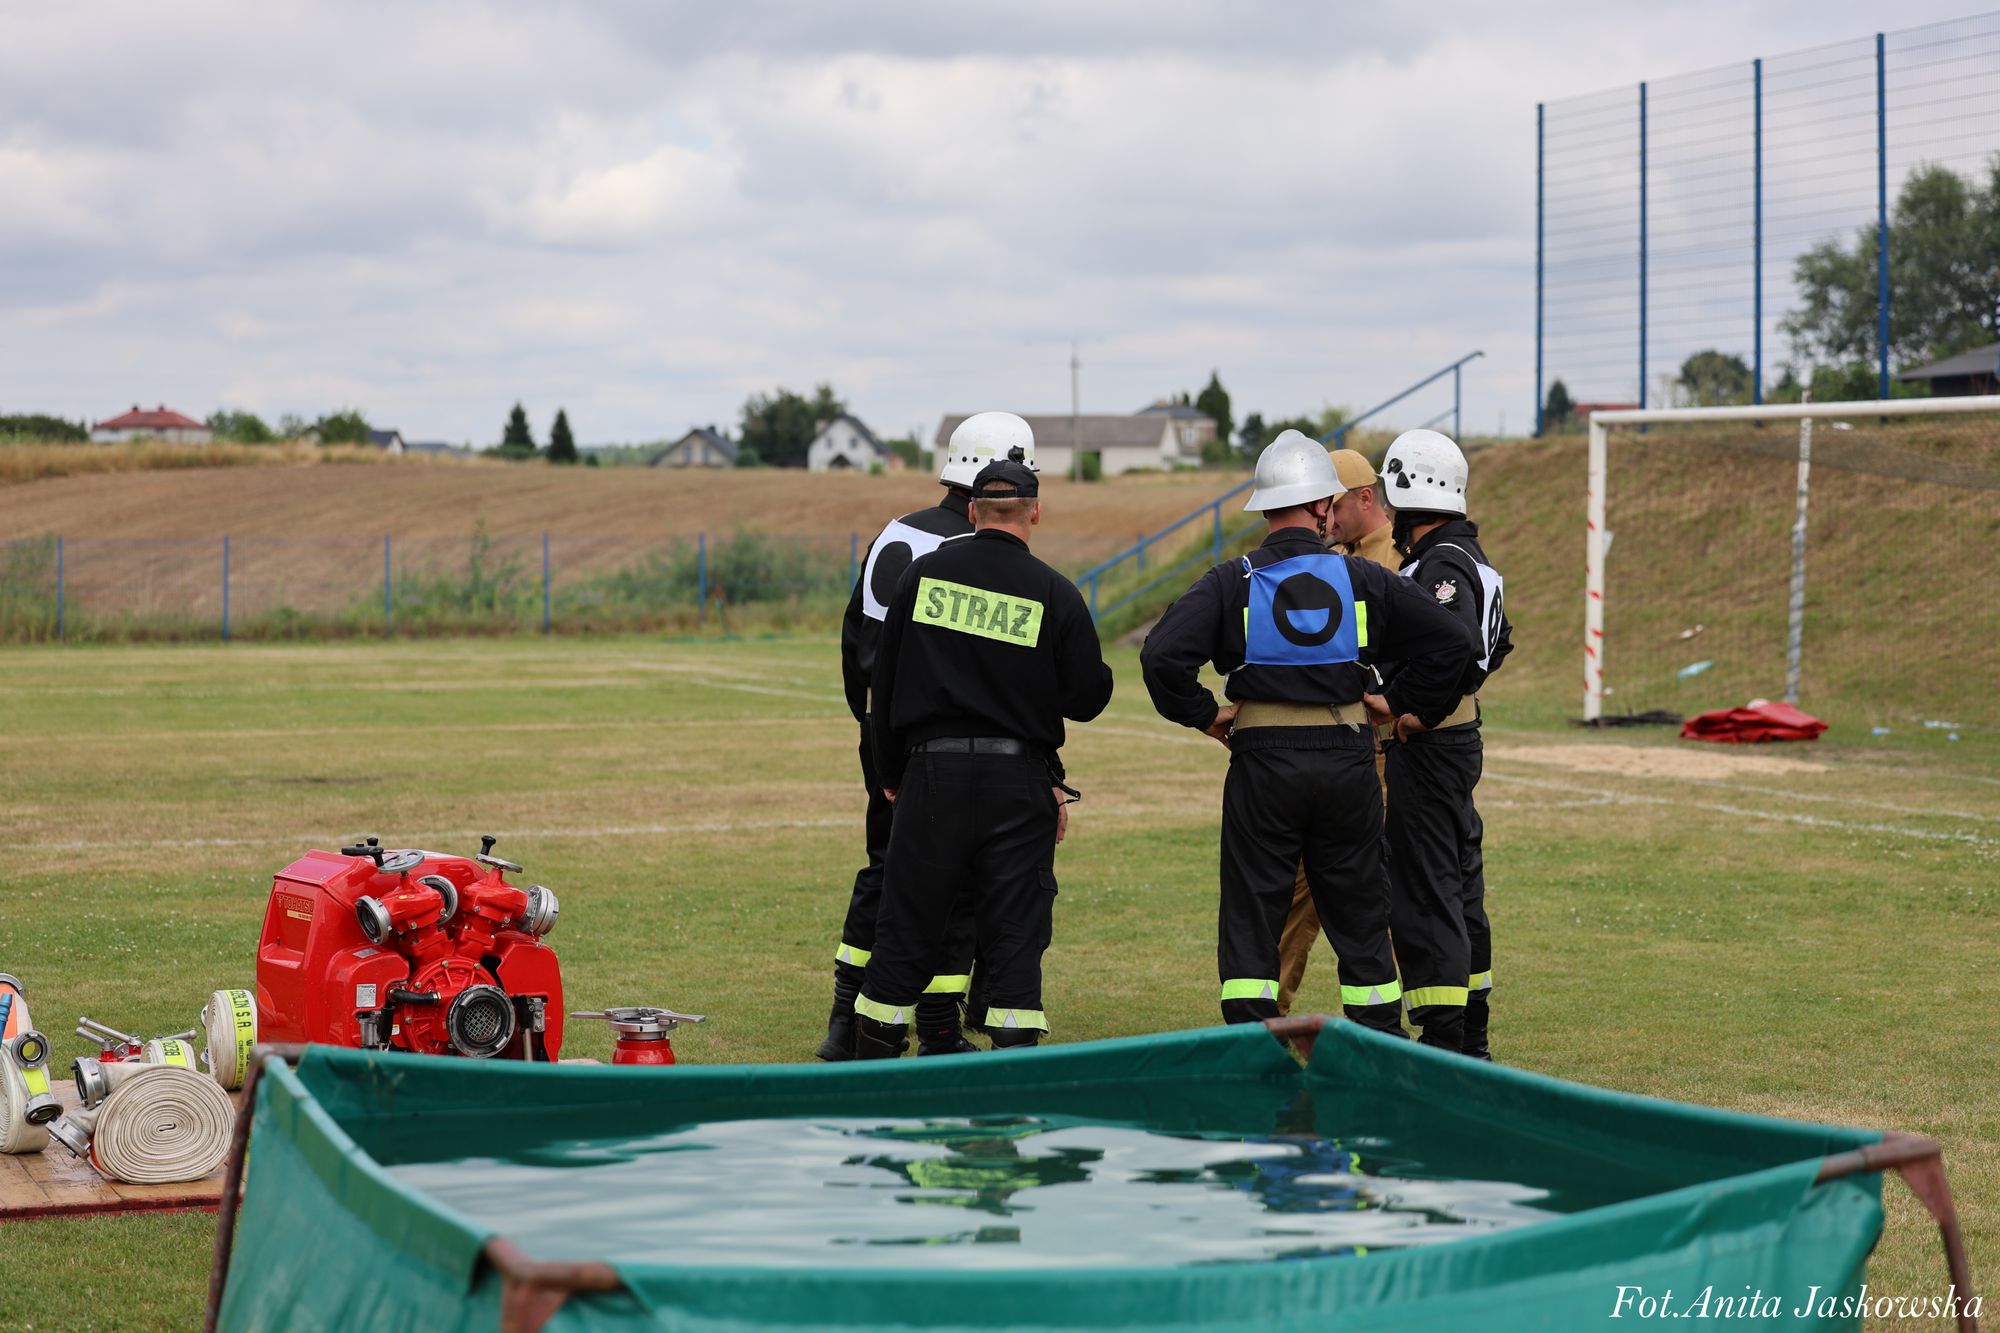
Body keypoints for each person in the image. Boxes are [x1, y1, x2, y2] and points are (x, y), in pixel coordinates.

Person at [1139, 432, 1475, 1033]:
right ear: (1324, 505)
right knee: (1363, 917)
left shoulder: (1230, 579)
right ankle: (1377, 1053)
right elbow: (1454, 643)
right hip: (1349, 761)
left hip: (1262, 763)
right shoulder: (1364, 578)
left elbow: (1161, 656)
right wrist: (1401, 703)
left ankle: (1252, 1053)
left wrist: (1204, 714)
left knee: (1252, 914)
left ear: (1265, 507)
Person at [853, 447, 1114, 1059]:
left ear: (972, 511)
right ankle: (1012, 1072)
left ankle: (872, 1061)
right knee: (1015, 928)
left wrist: (893, 776)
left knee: (907, 921)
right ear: (1034, 514)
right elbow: (1088, 697)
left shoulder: (919, 579)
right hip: (1019, 780)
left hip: (930, 774)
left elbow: (883, 687)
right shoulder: (1054, 591)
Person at [817, 413, 1028, 1060]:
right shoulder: (973, 549)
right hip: (938, 740)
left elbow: (855, 631)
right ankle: (939, 1025)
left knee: (884, 868)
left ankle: (844, 1020)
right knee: (957, 880)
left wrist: (869, 727)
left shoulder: (895, 530)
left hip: (882, 731)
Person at [1373, 428, 1514, 1058]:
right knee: (1459, 887)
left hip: (1431, 748)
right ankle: (1473, 1035)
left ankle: (1443, 1042)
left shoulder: (1441, 565)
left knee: (1428, 893)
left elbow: (1452, 643)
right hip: (1458, 740)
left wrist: (1409, 708)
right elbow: (1496, 642)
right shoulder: (1469, 557)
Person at [1274, 447, 1398, 1015]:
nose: (1324, 515)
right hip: (1331, 749)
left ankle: (1395, 1020)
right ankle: (1267, 1012)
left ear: (1365, 498)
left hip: (1379, 751)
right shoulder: (1334, 561)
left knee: (1371, 889)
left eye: (1333, 502)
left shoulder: (1394, 564)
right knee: (1304, 888)